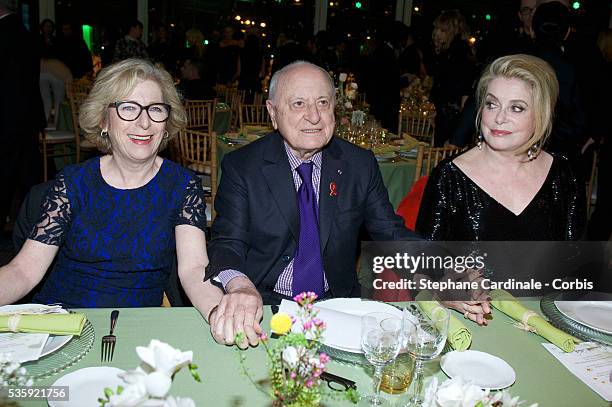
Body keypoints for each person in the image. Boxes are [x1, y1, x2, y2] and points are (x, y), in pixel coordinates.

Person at [0, 59, 226, 333]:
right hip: (63, 327)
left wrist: (219, 314)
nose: (144, 123)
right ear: (104, 120)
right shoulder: (73, 183)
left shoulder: (182, 185)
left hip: (135, 330)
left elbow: (194, 269)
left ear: (166, 122)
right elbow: (23, 272)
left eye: (155, 109)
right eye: (128, 108)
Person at [205, 61, 419, 344]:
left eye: (322, 102)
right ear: (272, 112)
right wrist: (240, 285)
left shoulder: (358, 164)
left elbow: (392, 234)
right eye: (298, 104)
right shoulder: (243, 167)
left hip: (339, 306)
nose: (314, 116)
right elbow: (227, 244)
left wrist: (447, 272)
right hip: (265, 306)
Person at [417, 54, 586, 241]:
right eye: (492, 104)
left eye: (516, 108)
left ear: (541, 115)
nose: (499, 118)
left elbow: (574, 260)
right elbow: (425, 265)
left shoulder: (562, 175)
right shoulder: (449, 177)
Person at [426, 10, 476, 146]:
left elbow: (464, 92)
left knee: (446, 158)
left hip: (453, 118)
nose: (437, 33)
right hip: (447, 115)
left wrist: (458, 133)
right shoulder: (450, 52)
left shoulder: (460, 53)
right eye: (437, 28)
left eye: (442, 30)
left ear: (452, 31)